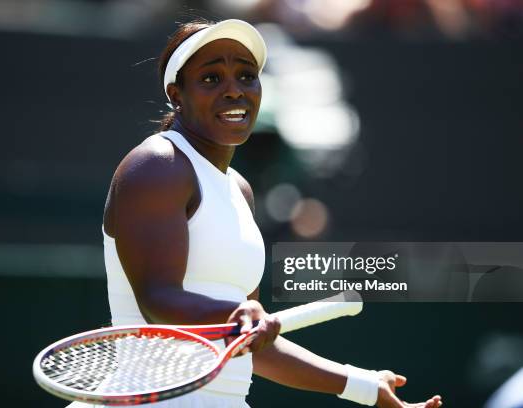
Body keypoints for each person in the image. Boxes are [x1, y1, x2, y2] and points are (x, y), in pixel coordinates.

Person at [74, 19, 443, 408]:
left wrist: (363, 385)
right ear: (176, 94)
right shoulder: (158, 164)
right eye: (212, 78)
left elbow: (252, 343)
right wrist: (238, 314)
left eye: (247, 76)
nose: (235, 90)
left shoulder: (238, 188)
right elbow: (158, 299)